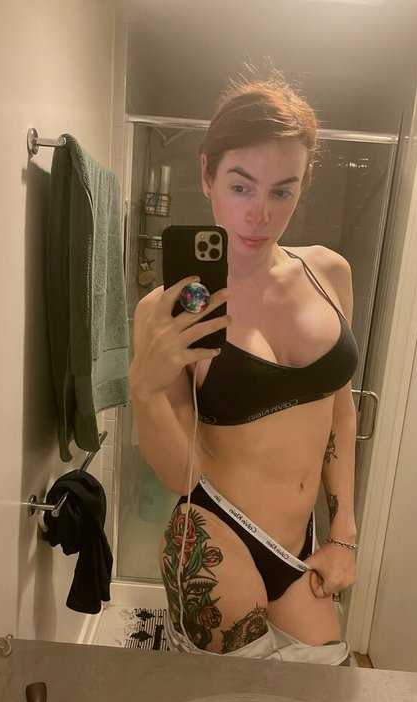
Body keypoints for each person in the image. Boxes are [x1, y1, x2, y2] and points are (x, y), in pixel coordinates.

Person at [129, 71, 359, 664]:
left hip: (301, 545)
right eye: (241, 186)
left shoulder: (329, 273)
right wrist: (146, 391)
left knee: (323, 696)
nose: (259, 213)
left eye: (282, 191)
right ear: (207, 175)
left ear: (303, 185)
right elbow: (179, 474)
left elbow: (340, 407)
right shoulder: (167, 310)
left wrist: (343, 533)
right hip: (216, 537)